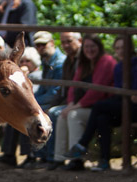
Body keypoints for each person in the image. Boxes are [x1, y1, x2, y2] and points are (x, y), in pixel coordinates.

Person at [65, 36, 137, 172]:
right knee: (101, 118)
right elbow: (119, 93)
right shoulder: (119, 67)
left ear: (131, 48)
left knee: (99, 106)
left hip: (133, 107)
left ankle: (82, 144)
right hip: (123, 104)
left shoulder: (134, 64)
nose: (120, 51)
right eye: (117, 48)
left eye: (123, 48)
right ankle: (104, 160)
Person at [52, 34, 117, 171]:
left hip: (99, 106)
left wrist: (74, 107)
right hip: (85, 106)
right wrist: (70, 104)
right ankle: (59, 158)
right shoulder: (84, 64)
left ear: (99, 47)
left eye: (92, 46)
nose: (89, 50)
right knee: (61, 114)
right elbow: (73, 87)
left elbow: (97, 92)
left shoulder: (106, 61)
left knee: (73, 115)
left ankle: (76, 159)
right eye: (87, 47)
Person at [1, 31, 65, 168]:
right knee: (23, 112)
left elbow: (56, 92)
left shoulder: (59, 63)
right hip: (50, 100)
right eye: (38, 45)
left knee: (30, 113)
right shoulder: (48, 62)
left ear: (52, 44)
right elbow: (44, 90)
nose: (41, 48)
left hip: (58, 101)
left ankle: (37, 156)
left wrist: (35, 104)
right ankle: (15, 154)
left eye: (43, 44)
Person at [0, 45, 41, 165]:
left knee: (27, 118)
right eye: (23, 61)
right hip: (31, 104)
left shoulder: (37, 75)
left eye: (28, 61)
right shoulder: (22, 76)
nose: (25, 63)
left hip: (38, 104)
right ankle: (9, 153)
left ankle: (30, 156)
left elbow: (31, 95)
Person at [44, 31, 82, 170]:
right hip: (71, 101)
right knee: (51, 112)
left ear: (79, 41)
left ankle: (66, 158)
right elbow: (64, 88)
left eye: (69, 41)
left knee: (57, 113)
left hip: (80, 102)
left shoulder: (82, 60)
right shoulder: (68, 60)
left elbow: (79, 87)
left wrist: (73, 104)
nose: (66, 45)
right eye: (63, 42)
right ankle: (55, 157)